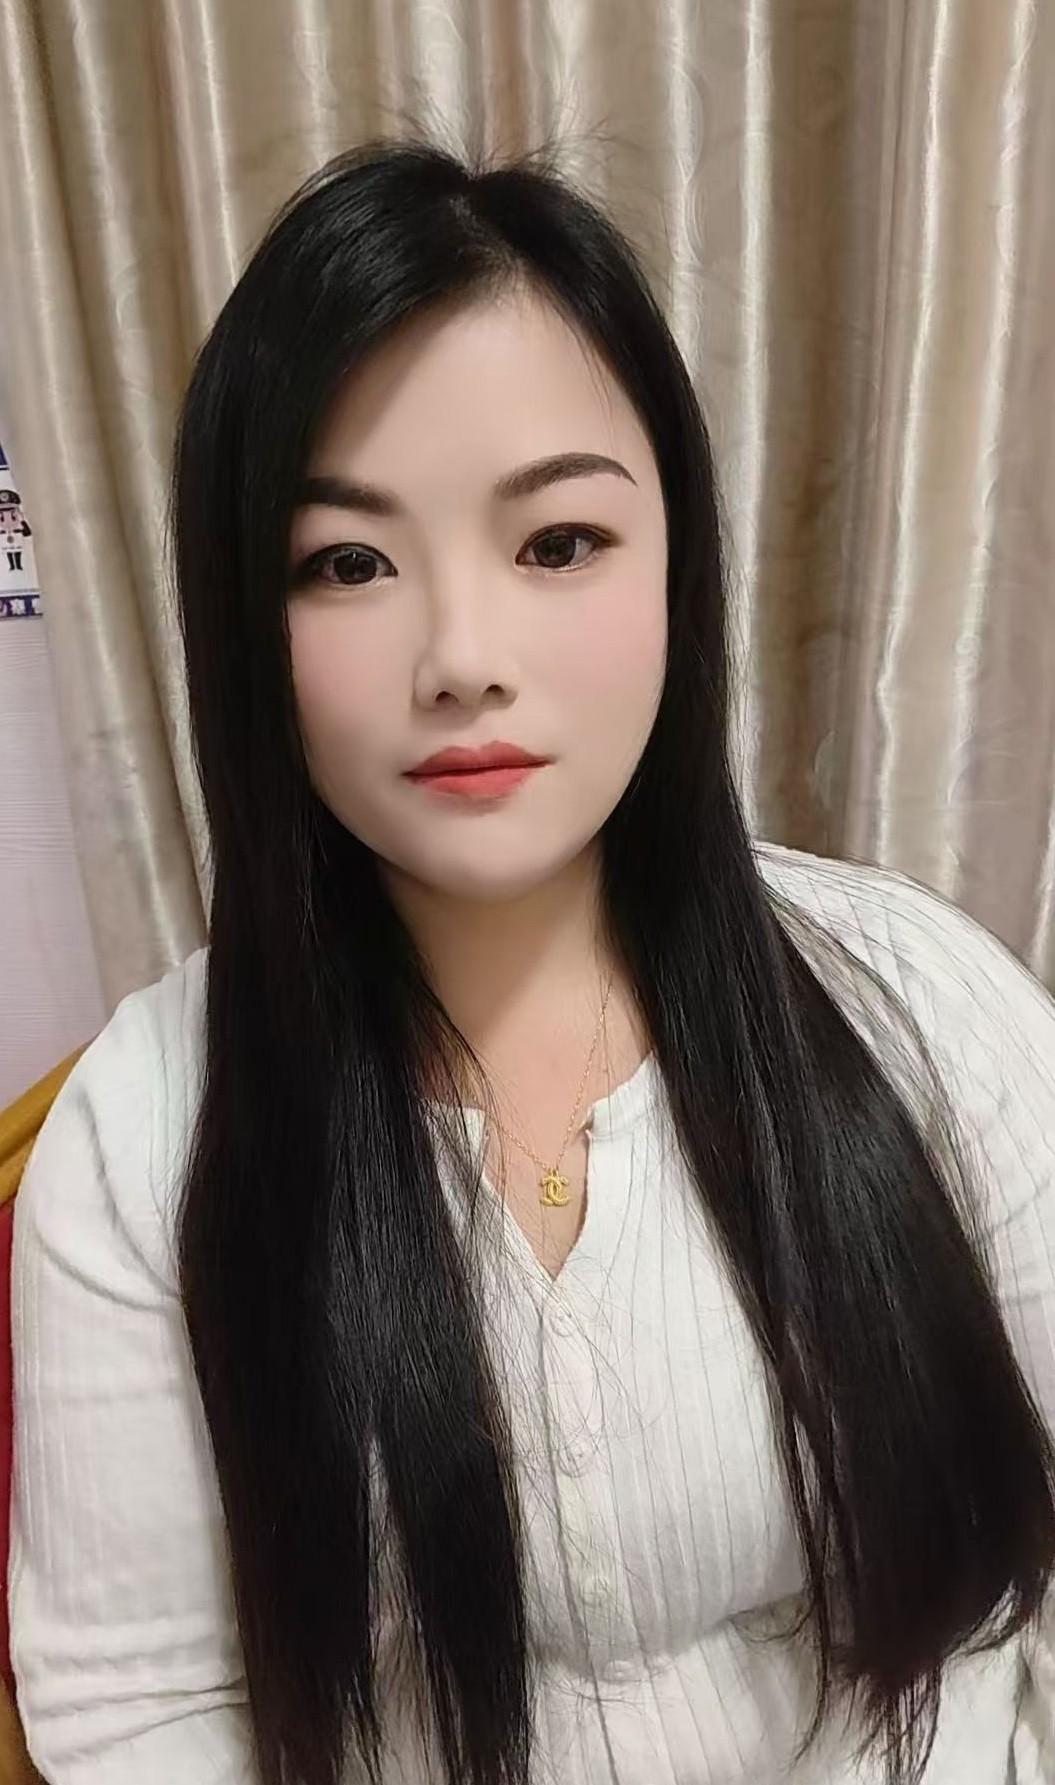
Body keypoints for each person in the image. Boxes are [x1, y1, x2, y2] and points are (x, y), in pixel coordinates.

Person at [10, 136, 1055, 1785]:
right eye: (347, 562)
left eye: (558, 541)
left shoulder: (923, 1005)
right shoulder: (145, 1138)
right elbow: (144, 1716)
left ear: (677, 564)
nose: (463, 658)